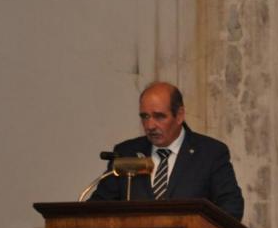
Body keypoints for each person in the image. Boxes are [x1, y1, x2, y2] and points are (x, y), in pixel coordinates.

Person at [91, 82, 245, 220]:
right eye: (145, 117)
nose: (150, 125)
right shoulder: (126, 153)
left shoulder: (210, 153)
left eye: (159, 116)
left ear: (179, 115)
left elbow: (231, 208)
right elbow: (97, 209)